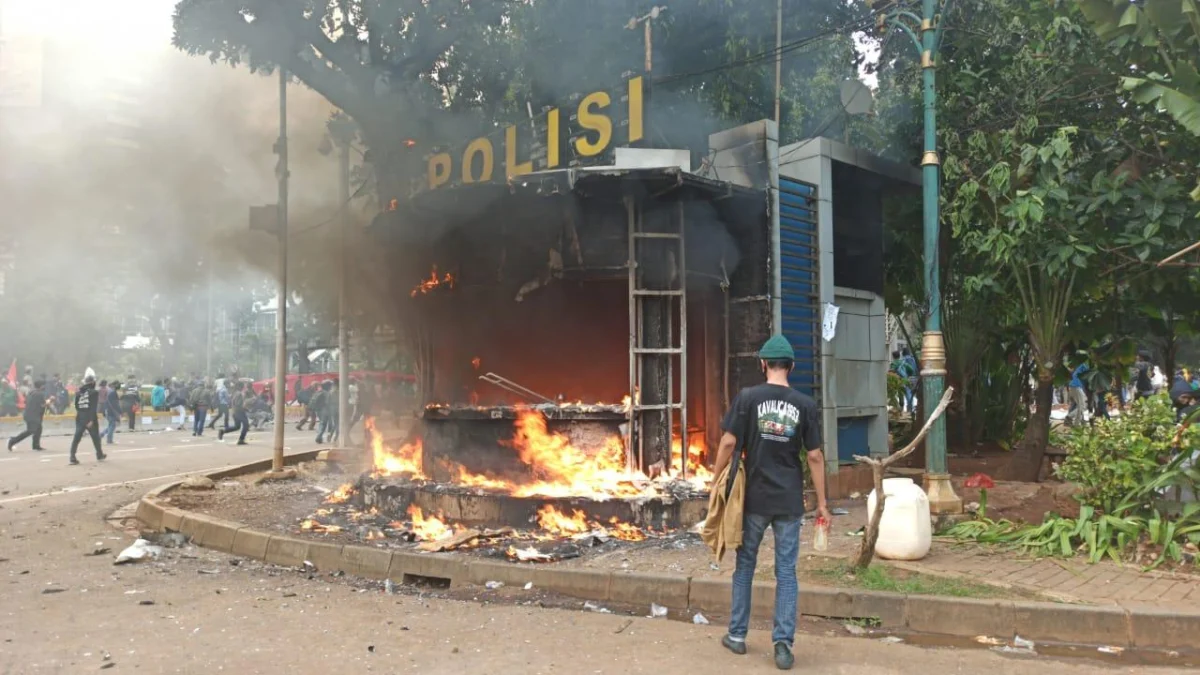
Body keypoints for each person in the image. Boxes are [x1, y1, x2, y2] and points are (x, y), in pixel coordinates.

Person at [711, 335, 828, 671]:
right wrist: (822, 503)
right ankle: (783, 645)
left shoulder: (748, 398)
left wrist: (715, 480)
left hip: (754, 500)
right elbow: (816, 456)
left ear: (763, 364)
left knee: (745, 565)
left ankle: (736, 635)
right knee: (786, 572)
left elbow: (729, 442)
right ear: (791, 366)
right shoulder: (804, 404)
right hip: (789, 501)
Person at [68, 375, 106, 465]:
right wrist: (91, 420)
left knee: (77, 437)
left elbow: (76, 406)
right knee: (95, 437)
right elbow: (93, 407)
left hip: (80, 417)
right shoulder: (94, 392)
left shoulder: (78, 393)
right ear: (93, 382)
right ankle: (99, 454)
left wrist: (81, 414)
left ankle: (72, 457)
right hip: (90, 417)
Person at [9, 379, 47, 451]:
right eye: (44, 385)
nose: (44, 387)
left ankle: (36, 445)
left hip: (28, 414)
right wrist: (50, 400)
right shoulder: (39, 393)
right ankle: (13, 441)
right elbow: (43, 404)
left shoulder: (31, 392)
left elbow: (26, 401)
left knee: (38, 429)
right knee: (31, 430)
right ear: (41, 386)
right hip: (33, 415)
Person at [218, 381, 250, 446]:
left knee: (237, 426)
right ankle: (241, 439)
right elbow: (238, 404)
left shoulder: (234, 393)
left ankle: (223, 431)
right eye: (242, 386)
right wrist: (244, 408)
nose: (243, 387)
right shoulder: (239, 394)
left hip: (234, 411)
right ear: (240, 386)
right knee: (246, 425)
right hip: (239, 412)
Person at [316, 380, 339, 444]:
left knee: (322, 424)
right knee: (336, 424)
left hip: (320, 410)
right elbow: (328, 402)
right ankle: (335, 437)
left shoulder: (320, 392)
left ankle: (319, 436)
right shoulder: (329, 392)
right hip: (329, 410)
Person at [103, 380, 122, 445]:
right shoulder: (112, 393)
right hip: (111, 411)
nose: (119, 386)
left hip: (108, 411)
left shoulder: (110, 391)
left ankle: (101, 435)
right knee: (112, 426)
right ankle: (109, 440)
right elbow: (115, 404)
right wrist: (120, 412)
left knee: (110, 425)